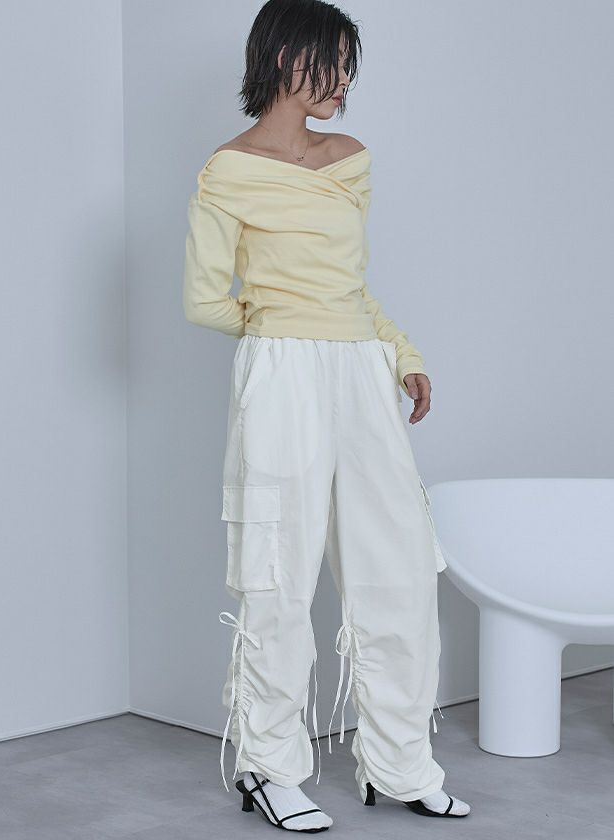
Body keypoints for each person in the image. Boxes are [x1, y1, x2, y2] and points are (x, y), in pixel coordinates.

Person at [182, 0, 471, 830]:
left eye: (349, 66)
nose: (345, 82)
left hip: (360, 372)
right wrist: (278, 323)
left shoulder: (350, 159)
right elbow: (204, 299)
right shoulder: (227, 170)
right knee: (276, 572)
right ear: (284, 59)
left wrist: (402, 353)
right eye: (332, 63)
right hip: (281, 377)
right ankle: (269, 769)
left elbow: (350, 289)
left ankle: (400, 764)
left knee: (397, 568)